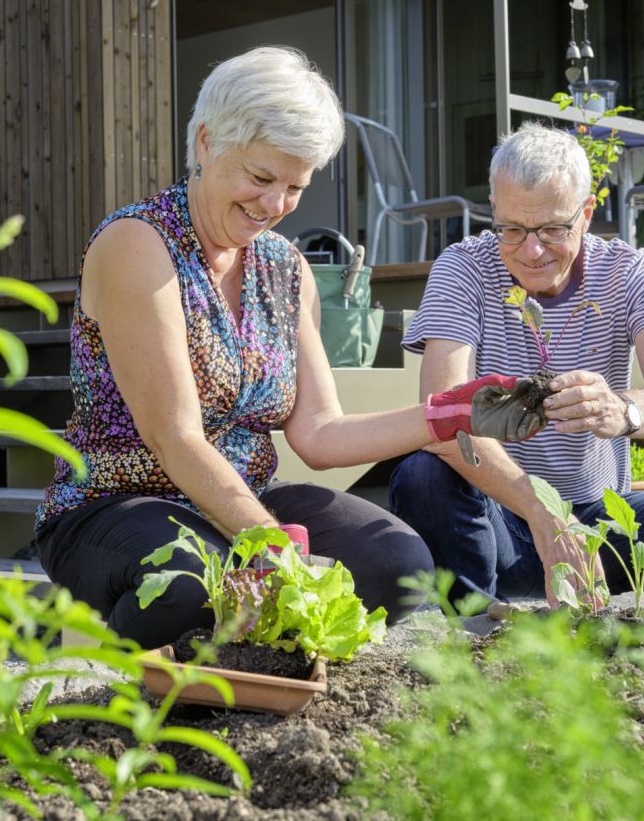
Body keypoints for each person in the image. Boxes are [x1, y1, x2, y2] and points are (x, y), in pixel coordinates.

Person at [34, 46, 543, 648]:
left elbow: (321, 433)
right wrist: (272, 544)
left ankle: (252, 660)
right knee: (192, 587)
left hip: (236, 501)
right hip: (114, 503)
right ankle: (105, 681)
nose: (274, 207)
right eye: (260, 178)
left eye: (295, 186)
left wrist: (454, 413)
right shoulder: (138, 246)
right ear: (205, 143)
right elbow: (176, 438)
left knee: (402, 566)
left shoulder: (285, 268)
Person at [388, 121, 644, 608]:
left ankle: (599, 591)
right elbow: (441, 418)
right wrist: (544, 514)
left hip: (601, 519)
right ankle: (478, 626)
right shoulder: (462, 268)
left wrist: (624, 410)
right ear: (494, 211)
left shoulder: (630, 272)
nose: (531, 251)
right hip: (504, 518)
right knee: (423, 476)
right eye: (511, 229)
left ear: (587, 213)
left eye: (553, 229)